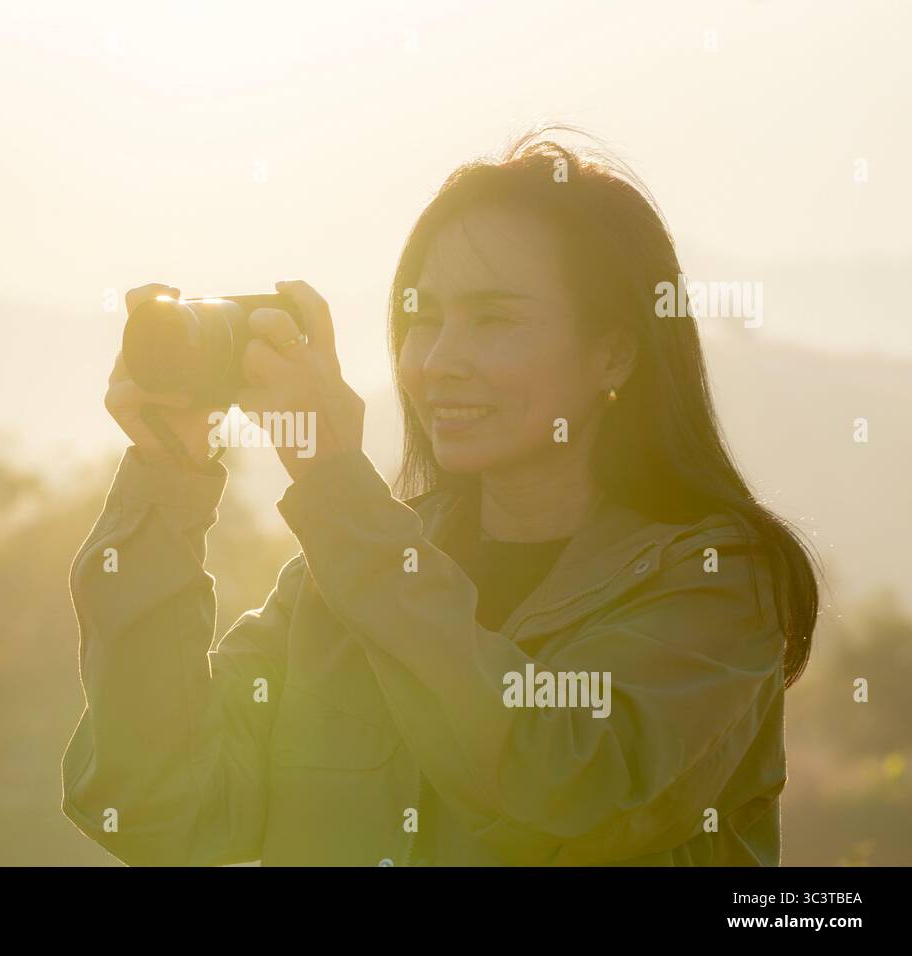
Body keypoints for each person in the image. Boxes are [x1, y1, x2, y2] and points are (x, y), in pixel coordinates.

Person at [60, 126, 820, 866]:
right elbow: (160, 808)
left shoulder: (714, 584)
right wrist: (168, 473)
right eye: (424, 317)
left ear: (613, 350)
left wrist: (335, 486)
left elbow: (565, 795)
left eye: (494, 319)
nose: (439, 361)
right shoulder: (336, 582)